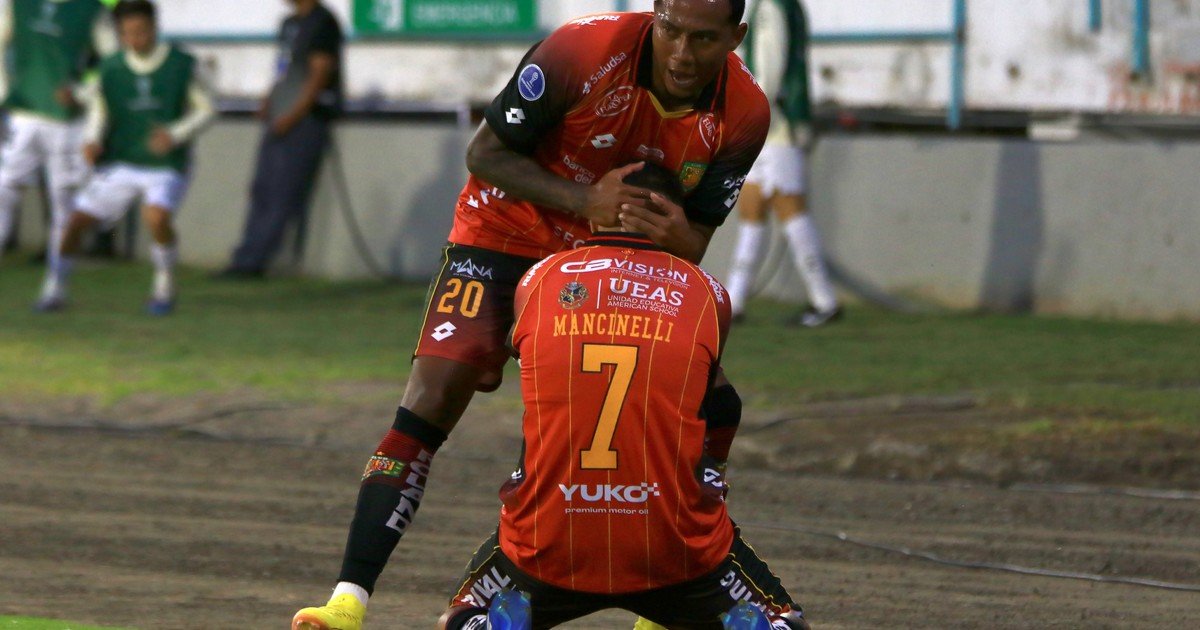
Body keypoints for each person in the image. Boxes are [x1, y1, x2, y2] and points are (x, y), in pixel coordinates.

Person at [292, 2, 768, 628]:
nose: (682, 54)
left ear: (736, 37)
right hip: (503, 231)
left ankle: (670, 589)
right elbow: (484, 153)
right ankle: (347, 603)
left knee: (716, 406)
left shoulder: (746, 114)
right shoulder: (580, 53)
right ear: (654, 14)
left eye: (703, 40)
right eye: (671, 31)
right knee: (432, 395)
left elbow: (695, 243)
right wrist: (584, 199)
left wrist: (672, 230)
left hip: (608, 256)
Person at [436, 164, 808, 630]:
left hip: (548, 542)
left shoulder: (538, 280)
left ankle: (486, 625)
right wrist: (712, 476)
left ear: (600, 210)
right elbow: (721, 403)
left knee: (457, 615)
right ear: (673, 217)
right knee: (787, 620)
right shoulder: (707, 292)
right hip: (673, 547)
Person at [33, 0, 214, 313]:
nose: (135, 40)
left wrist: (175, 134)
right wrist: (91, 140)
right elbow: (100, 110)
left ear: (154, 28)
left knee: (156, 216)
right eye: (127, 33)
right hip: (123, 161)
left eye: (141, 32)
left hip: (166, 163)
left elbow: (208, 110)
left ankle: (164, 285)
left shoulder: (182, 64)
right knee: (75, 221)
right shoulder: (112, 67)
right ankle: (55, 289)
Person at [724, 0, 840, 327]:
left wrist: (752, 113)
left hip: (776, 125)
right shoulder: (787, 6)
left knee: (789, 208)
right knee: (752, 207)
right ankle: (734, 301)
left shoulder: (773, 7)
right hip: (776, 123)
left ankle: (824, 300)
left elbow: (770, 68)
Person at [215, 0, 342, 279]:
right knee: (262, 187)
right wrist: (271, 98)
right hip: (280, 114)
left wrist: (294, 114)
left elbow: (319, 72)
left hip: (303, 120)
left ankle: (255, 261)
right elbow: (284, 67)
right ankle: (245, 255)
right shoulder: (289, 24)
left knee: (282, 190)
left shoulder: (323, 22)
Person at [0, 0, 117, 263]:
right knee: (5, 189)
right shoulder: (17, 5)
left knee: (62, 202)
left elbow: (115, 65)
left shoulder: (91, 9)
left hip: (66, 122)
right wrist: (4, 91)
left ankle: (57, 284)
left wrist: (82, 93)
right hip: (23, 115)